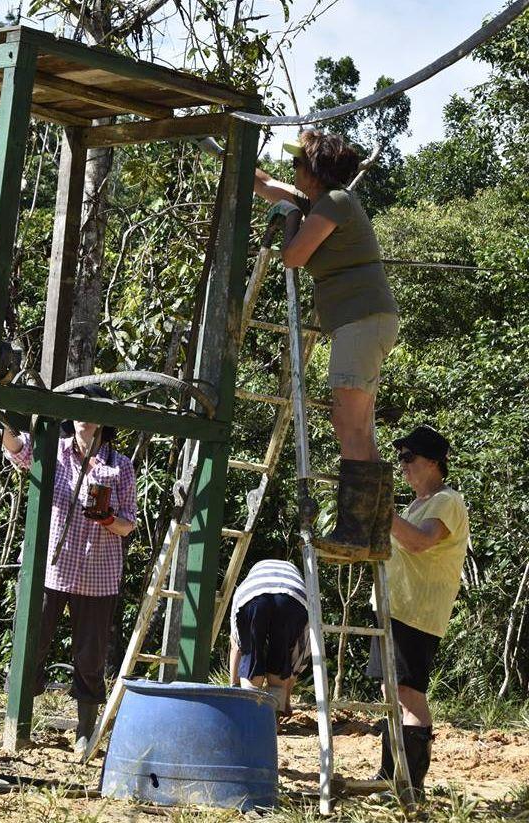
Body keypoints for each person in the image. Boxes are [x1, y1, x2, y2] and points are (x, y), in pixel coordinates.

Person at [253, 130, 399, 563]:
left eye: (299, 164)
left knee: (347, 425)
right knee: (360, 430)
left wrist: (289, 218)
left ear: (315, 171)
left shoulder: (333, 204)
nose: (293, 170)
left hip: (360, 323)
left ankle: (354, 533)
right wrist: (226, 154)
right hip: (364, 323)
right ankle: (374, 537)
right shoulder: (321, 203)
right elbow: (265, 185)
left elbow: (294, 256)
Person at [2, 386, 137, 757]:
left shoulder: (119, 465)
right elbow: (16, 447)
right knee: (33, 646)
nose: (85, 417)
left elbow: (129, 523)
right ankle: (19, 725)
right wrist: (6, 415)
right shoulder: (52, 451)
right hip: (53, 569)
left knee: (90, 658)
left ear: (104, 420)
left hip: (99, 573)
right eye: (79, 409)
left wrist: (108, 519)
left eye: (93, 410)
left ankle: (84, 732)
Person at [366, 424, 469, 797]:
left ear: (434, 462)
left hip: (416, 613)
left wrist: (383, 509)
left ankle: (408, 784)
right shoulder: (417, 505)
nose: (403, 465)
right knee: (391, 689)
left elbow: (421, 542)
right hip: (398, 609)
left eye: (409, 458)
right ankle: (390, 775)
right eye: (401, 458)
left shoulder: (446, 501)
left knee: (408, 692)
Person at [229, 557, 311, 714]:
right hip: (293, 598)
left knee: (251, 659)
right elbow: (296, 663)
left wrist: (233, 688)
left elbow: (236, 647)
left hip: (251, 596)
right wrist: (286, 702)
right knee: (281, 662)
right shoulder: (294, 577)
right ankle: (273, 721)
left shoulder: (249, 582)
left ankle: (250, 716)